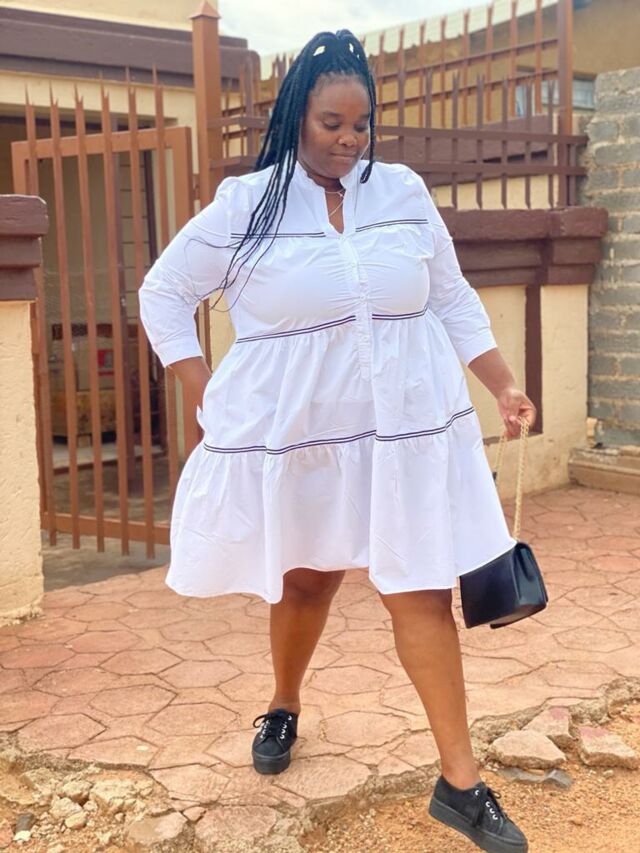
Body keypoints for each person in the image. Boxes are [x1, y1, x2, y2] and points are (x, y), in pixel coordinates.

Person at [138, 28, 536, 853]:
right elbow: (164, 292)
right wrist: (206, 393)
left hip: (404, 435)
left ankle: (461, 783)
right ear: (295, 117)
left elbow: (452, 298)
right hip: (306, 439)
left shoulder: (402, 191)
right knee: (307, 581)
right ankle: (284, 702)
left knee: (421, 590)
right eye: (331, 124)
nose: (349, 140)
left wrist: (502, 382)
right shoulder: (247, 205)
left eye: (361, 124)